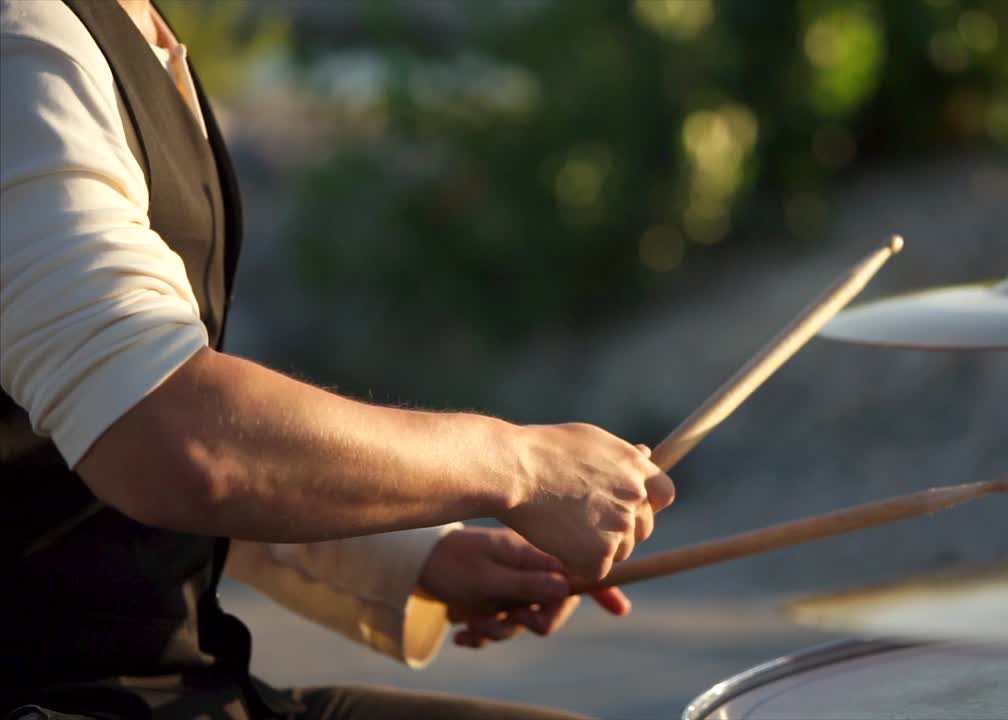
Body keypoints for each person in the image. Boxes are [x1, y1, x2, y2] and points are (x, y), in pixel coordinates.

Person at [0, 1, 675, 718]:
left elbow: (100, 433)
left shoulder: (112, 32)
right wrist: (519, 466)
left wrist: (411, 556)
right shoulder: (25, 42)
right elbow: (167, 434)